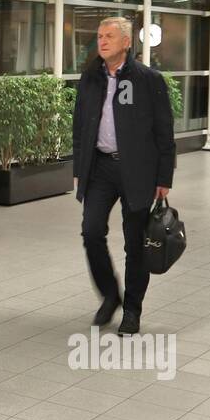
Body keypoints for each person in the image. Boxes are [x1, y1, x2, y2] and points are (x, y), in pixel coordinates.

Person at [72, 17, 176, 336]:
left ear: (127, 42)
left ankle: (132, 310)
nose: (102, 41)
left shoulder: (148, 80)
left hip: (137, 170)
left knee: (135, 243)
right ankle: (110, 296)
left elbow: (163, 131)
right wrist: (80, 169)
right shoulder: (91, 77)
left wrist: (163, 176)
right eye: (99, 36)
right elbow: (80, 127)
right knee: (91, 232)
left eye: (109, 36)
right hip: (100, 168)